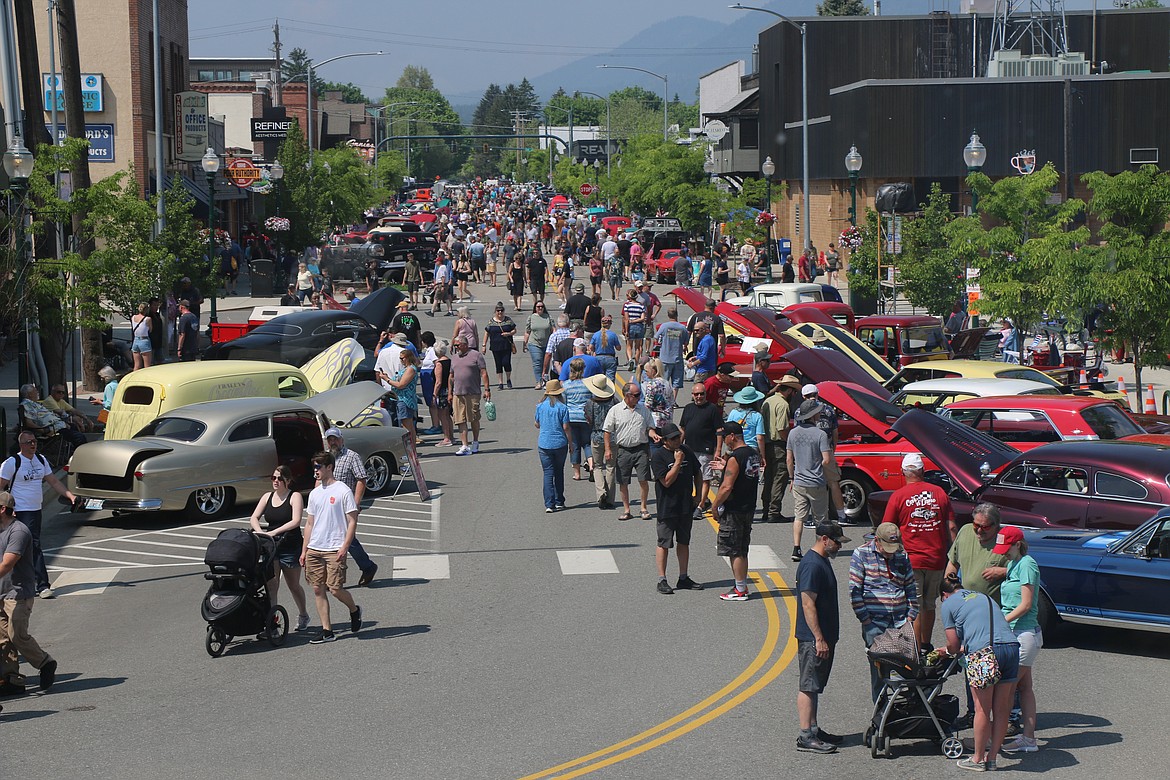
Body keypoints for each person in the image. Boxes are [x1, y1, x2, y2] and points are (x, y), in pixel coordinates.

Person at [940, 574, 1021, 772]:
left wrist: (946, 651)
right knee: (1002, 709)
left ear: (944, 594)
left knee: (982, 709)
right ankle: (992, 758)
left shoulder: (948, 605)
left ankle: (977, 759)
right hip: (1011, 648)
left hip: (984, 654)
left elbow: (953, 644)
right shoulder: (984, 597)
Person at [882, 452, 957, 648]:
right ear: (922, 471)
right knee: (929, 605)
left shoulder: (899, 496)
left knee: (914, 606)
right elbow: (951, 527)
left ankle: (914, 648)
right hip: (936, 559)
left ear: (904, 472)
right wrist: (955, 558)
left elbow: (887, 529)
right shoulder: (939, 493)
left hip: (911, 560)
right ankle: (925, 644)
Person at [794, 521, 851, 754]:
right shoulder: (811, 565)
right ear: (824, 539)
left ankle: (814, 729)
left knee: (815, 683)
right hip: (812, 638)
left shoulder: (821, 561)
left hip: (824, 635)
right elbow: (808, 603)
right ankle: (805, 735)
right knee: (808, 684)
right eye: (837, 541)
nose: (839, 546)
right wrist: (818, 637)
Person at [1, 435, 77, 600]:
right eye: (29, 442)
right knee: (24, 546)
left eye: (35, 442)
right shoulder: (12, 463)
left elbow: (54, 482)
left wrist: (70, 496)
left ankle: (36, 584)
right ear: (21, 445)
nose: (33, 445)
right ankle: (39, 585)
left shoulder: (40, 460)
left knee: (30, 547)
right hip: (18, 511)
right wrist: (7, 509)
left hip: (35, 511)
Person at [849, 522, 918, 701]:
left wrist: (911, 616)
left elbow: (911, 586)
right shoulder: (861, 554)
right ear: (877, 541)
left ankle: (905, 710)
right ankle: (881, 710)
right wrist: (866, 621)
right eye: (887, 547)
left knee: (906, 668)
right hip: (875, 623)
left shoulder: (902, 555)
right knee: (879, 670)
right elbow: (855, 591)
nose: (891, 552)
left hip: (901, 622)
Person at [300, 452, 363, 644]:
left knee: (335, 590)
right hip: (314, 547)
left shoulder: (342, 490)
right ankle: (327, 631)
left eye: (319, 467)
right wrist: (304, 550)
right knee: (318, 589)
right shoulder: (314, 493)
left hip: (335, 548)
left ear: (329, 467)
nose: (316, 471)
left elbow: (352, 521)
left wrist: (345, 546)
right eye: (314, 467)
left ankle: (354, 610)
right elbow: (309, 523)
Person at [0, 491, 58, 694]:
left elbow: (7, 563)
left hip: (18, 593)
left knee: (17, 635)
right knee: (3, 638)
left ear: (2, 509)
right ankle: (12, 680)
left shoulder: (19, 531)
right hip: (0, 591)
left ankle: (45, 662)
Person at [996, 526, 1043, 756]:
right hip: (1018, 634)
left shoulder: (1027, 564)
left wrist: (1000, 622)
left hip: (1024, 635)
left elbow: (1025, 604)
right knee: (1024, 688)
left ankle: (992, 738)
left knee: (1007, 689)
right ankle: (1029, 738)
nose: (1003, 552)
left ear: (1017, 544)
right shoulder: (1012, 563)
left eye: (1007, 548)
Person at [248, 465, 310, 632]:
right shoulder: (267, 496)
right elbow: (254, 517)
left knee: (293, 585)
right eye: (273, 478)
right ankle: (272, 622)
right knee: (272, 585)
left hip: (290, 546)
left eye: (279, 479)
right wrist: (260, 532)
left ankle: (303, 614)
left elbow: (296, 521)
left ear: (288, 481)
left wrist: (275, 532)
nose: (275, 481)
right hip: (271, 547)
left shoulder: (294, 496)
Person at [709, 420, 761, 601]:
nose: (723, 441)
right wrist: (726, 468)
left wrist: (715, 506)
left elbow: (726, 487)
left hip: (734, 509)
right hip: (748, 506)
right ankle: (741, 585)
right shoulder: (752, 454)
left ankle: (740, 589)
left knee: (734, 550)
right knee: (742, 548)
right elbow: (744, 477)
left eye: (724, 438)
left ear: (732, 436)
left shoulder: (735, 457)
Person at [651, 422, 704, 595]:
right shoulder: (658, 456)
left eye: (678, 437)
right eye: (673, 438)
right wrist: (677, 462)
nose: (677, 440)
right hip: (667, 507)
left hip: (685, 505)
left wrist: (698, 495)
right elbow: (666, 482)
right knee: (664, 543)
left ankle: (683, 577)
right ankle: (662, 579)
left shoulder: (686, 450)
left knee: (684, 541)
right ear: (665, 440)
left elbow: (698, 472)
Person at [324, 428, 380, 587]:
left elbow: (361, 480)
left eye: (335, 439)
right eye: (330, 440)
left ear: (342, 440)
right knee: (338, 540)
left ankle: (337, 578)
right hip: (329, 506)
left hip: (345, 506)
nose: (332, 442)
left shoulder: (351, 457)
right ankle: (367, 566)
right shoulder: (326, 457)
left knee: (345, 540)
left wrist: (355, 504)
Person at [603, 382, 658, 522]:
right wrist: (608, 449)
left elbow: (650, 427)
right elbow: (607, 431)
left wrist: (653, 434)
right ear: (627, 396)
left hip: (641, 449)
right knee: (623, 481)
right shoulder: (615, 410)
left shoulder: (644, 410)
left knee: (643, 479)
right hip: (623, 450)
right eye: (636, 395)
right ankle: (627, 510)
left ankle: (643, 508)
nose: (639, 397)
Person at [787, 399, 831, 562]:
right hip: (816, 481)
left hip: (799, 480)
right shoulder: (820, 434)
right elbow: (826, 459)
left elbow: (789, 459)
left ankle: (796, 548)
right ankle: (819, 549)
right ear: (813, 415)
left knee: (799, 516)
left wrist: (792, 477)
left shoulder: (793, 433)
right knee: (820, 517)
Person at [760, 375, 801, 524]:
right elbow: (782, 428)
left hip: (767, 444)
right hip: (778, 445)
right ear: (789, 390)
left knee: (769, 479)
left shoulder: (768, 401)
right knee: (779, 479)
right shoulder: (783, 405)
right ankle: (774, 511)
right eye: (794, 392)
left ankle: (766, 509)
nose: (794, 395)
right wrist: (791, 443)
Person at [678, 381, 723, 516]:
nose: (699, 397)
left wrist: (718, 450)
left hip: (705, 450)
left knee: (704, 478)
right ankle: (693, 501)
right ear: (692, 395)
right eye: (696, 394)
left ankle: (700, 505)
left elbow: (719, 430)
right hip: (689, 449)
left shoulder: (712, 409)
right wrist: (678, 446)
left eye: (701, 394)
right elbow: (683, 429)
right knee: (688, 478)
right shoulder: (688, 408)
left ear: (705, 394)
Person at [449, 335, 491, 456]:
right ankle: (464, 445)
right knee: (460, 419)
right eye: (455, 345)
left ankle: (475, 441)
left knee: (473, 418)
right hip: (458, 393)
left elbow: (483, 373)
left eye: (458, 345)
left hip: (473, 392)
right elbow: (451, 376)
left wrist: (487, 389)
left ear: (465, 344)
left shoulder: (476, 355)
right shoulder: (454, 358)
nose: (456, 347)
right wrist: (450, 392)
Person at [534, 379, 571, 512]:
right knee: (559, 471)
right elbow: (566, 427)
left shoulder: (540, 406)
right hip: (560, 443)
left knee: (548, 473)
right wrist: (571, 443)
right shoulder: (563, 408)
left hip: (544, 443)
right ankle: (559, 500)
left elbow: (537, 424)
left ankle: (549, 504)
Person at [583, 375, 619, 510]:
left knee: (598, 466)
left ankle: (601, 493)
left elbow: (588, 420)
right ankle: (610, 498)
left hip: (597, 435)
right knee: (611, 467)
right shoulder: (614, 401)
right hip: (612, 436)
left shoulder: (590, 403)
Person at [19, 384, 87, 449]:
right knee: (79, 437)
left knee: (74, 428)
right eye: (35, 391)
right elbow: (28, 423)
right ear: (30, 394)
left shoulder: (34, 404)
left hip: (57, 426)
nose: (37, 392)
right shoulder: (27, 405)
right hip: (53, 430)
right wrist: (43, 430)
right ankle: (80, 457)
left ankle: (71, 453)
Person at [562, 359, 594, 482]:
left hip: (571, 417)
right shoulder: (588, 385)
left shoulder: (566, 385)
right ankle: (591, 466)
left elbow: (564, 403)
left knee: (574, 444)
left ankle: (577, 473)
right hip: (585, 417)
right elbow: (592, 400)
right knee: (587, 443)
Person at [386, 350, 421, 445]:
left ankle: (411, 449)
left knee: (407, 427)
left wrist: (387, 380)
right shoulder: (406, 369)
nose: (401, 360)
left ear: (408, 358)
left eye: (402, 358)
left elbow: (401, 385)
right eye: (400, 358)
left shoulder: (410, 369)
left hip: (405, 400)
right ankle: (411, 449)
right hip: (402, 399)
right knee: (407, 426)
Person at [653, 308, 689, 391]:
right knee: (676, 383)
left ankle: (665, 398)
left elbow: (656, 338)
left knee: (663, 381)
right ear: (677, 315)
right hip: (677, 358)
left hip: (665, 358)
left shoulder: (664, 326)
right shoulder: (682, 327)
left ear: (668, 315)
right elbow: (685, 342)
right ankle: (673, 400)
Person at [483, 303, 517, 390]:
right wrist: (484, 345)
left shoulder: (508, 320)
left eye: (502, 310)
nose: (500, 312)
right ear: (495, 312)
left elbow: (514, 330)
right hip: (495, 346)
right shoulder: (491, 321)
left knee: (506, 363)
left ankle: (508, 379)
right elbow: (487, 333)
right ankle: (500, 383)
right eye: (498, 311)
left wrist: (508, 333)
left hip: (506, 345)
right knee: (498, 364)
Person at [727, 387, 766, 455]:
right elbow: (760, 438)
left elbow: (727, 431)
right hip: (751, 448)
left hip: (736, 447)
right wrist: (762, 455)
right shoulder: (757, 416)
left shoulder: (733, 413)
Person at [639, 358, 675, 428]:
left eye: (647, 371)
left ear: (653, 371)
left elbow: (647, 405)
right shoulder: (667, 383)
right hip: (668, 421)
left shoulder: (651, 384)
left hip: (655, 422)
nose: (646, 373)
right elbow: (672, 403)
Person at [524, 301, 553, 389]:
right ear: (535, 308)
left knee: (546, 363)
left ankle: (545, 380)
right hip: (534, 343)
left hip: (547, 343)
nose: (540, 308)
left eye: (541, 306)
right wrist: (524, 343)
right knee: (537, 362)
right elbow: (527, 332)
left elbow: (553, 330)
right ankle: (539, 381)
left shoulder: (548, 317)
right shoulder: (531, 318)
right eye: (538, 306)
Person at [590, 314, 621, 381]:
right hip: (610, 358)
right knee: (610, 379)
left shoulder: (596, 334)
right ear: (609, 324)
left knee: (599, 380)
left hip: (598, 358)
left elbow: (591, 347)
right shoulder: (613, 335)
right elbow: (618, 348)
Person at [621, 288, 647, 371]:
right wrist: (636, 320)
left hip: (630, 326)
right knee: (638, 346)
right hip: (639, 326)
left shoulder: (627, 305)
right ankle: (636, 364)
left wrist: (626, 329)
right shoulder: (641, 305)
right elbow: (643, 318)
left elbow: (626, 318)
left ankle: (630, 360)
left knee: (629, 345)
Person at [129, 302, 153, 370]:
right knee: (147, 366)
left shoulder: (133, 317)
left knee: (137, 365)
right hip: (144, 340)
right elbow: (150, 330)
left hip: (136, 340)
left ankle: (134, 379)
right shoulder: (148, 319)